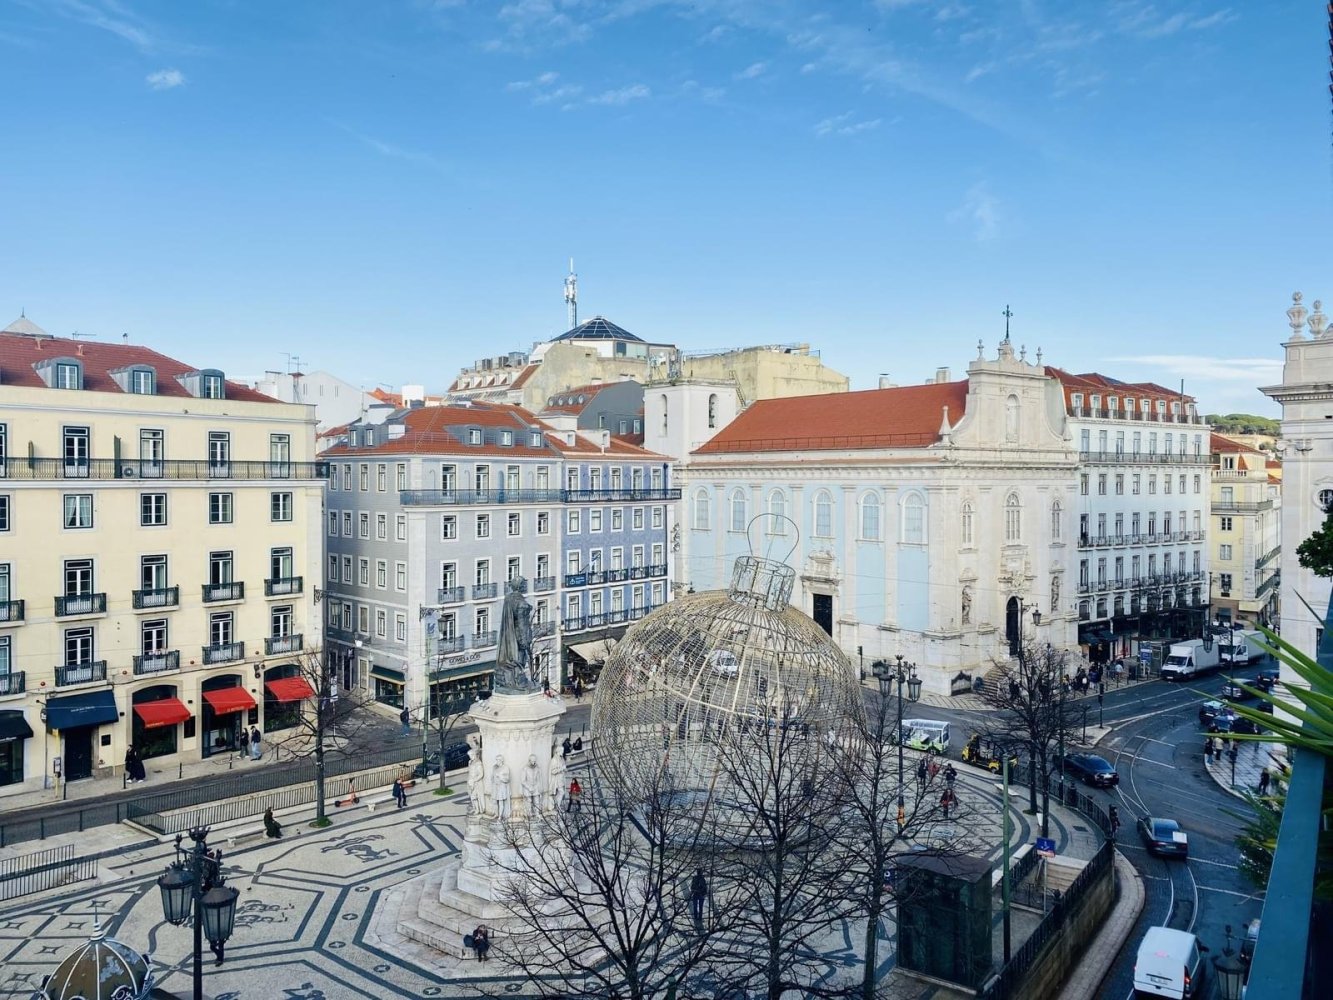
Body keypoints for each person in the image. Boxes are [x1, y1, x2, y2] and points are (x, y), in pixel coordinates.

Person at [491, 756, 512, 820]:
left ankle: (500, 816)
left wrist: (500, 777)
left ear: (501, 760)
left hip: (501, 787)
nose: (497, 761)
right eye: (496, 760)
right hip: (495, 786)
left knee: (501, 802)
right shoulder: (495, 767)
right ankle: (496, 814)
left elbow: (507, 779)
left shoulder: (505, 768)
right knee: (494, 801)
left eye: (498, 760)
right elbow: (492, 777)